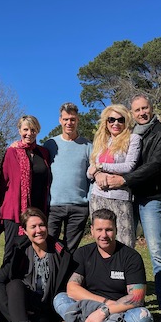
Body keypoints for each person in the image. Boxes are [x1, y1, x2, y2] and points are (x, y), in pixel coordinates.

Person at [104, 94, 161, 322]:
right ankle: (124, 301)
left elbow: (155, 166)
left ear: (151, 108)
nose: (141, 113)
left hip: (150, 198)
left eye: (144, 108)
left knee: (156, 252)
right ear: (132, 113)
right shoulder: (128, 133)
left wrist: (124, 179)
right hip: (127, 197)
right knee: (123, 249)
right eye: (137, 110)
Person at [53, 209, 153, 322]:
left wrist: (104, 312)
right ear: (92, 230)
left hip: (120, 312)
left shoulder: (131, 257)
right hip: (90, 309)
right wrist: (104, 304)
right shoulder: (83, 253)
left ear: (116, 230)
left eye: (108, 230)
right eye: (99, 230)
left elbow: (137, 298)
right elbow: (72, 289)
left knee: (144, 318)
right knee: (60, 299)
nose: (104, 235)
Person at [0, 207, 73, 322]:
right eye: (33, 227)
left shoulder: (60, 252)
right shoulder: (19, 251)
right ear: (24, 231)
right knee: (14, 284)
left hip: (43, 311)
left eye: (41, 225)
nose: (39, 230)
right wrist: (12, 316)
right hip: (21, 304)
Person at [0, 115, 51, 263]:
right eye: (25, 129)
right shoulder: (12, 152)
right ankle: (5, 278)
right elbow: (4, 183)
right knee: (11, 253)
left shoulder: (43, 153)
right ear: (19, 130)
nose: (29, 133)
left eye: (33, 130)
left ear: (37, 131)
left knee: (34, 252)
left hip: (37, 209)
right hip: (14, 211)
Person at [86, 104, 141, 248]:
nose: (115, 123)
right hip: (98, 196)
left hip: (120, 197)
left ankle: (124, 264)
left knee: (125, 240)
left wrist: (101, 167)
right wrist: (97, 174)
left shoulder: (133, 139)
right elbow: (90, 171)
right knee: (101, 240)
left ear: (126, 121)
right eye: (111, 119)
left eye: (120, 120)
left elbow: (129, 166)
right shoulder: (101, 141)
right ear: (106, 122)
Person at [43, 103, 92, 253]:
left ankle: (66, 269)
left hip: (79, 207)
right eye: (65, 119)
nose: (69, 123)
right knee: (49, 246)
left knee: (70, 250)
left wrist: (89, 199)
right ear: (60, 120)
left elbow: (93, 175)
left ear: (78, 120)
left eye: (72, 119)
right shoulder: (50, 144)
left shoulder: (88, 146)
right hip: (54, 206)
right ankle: (52, 269)